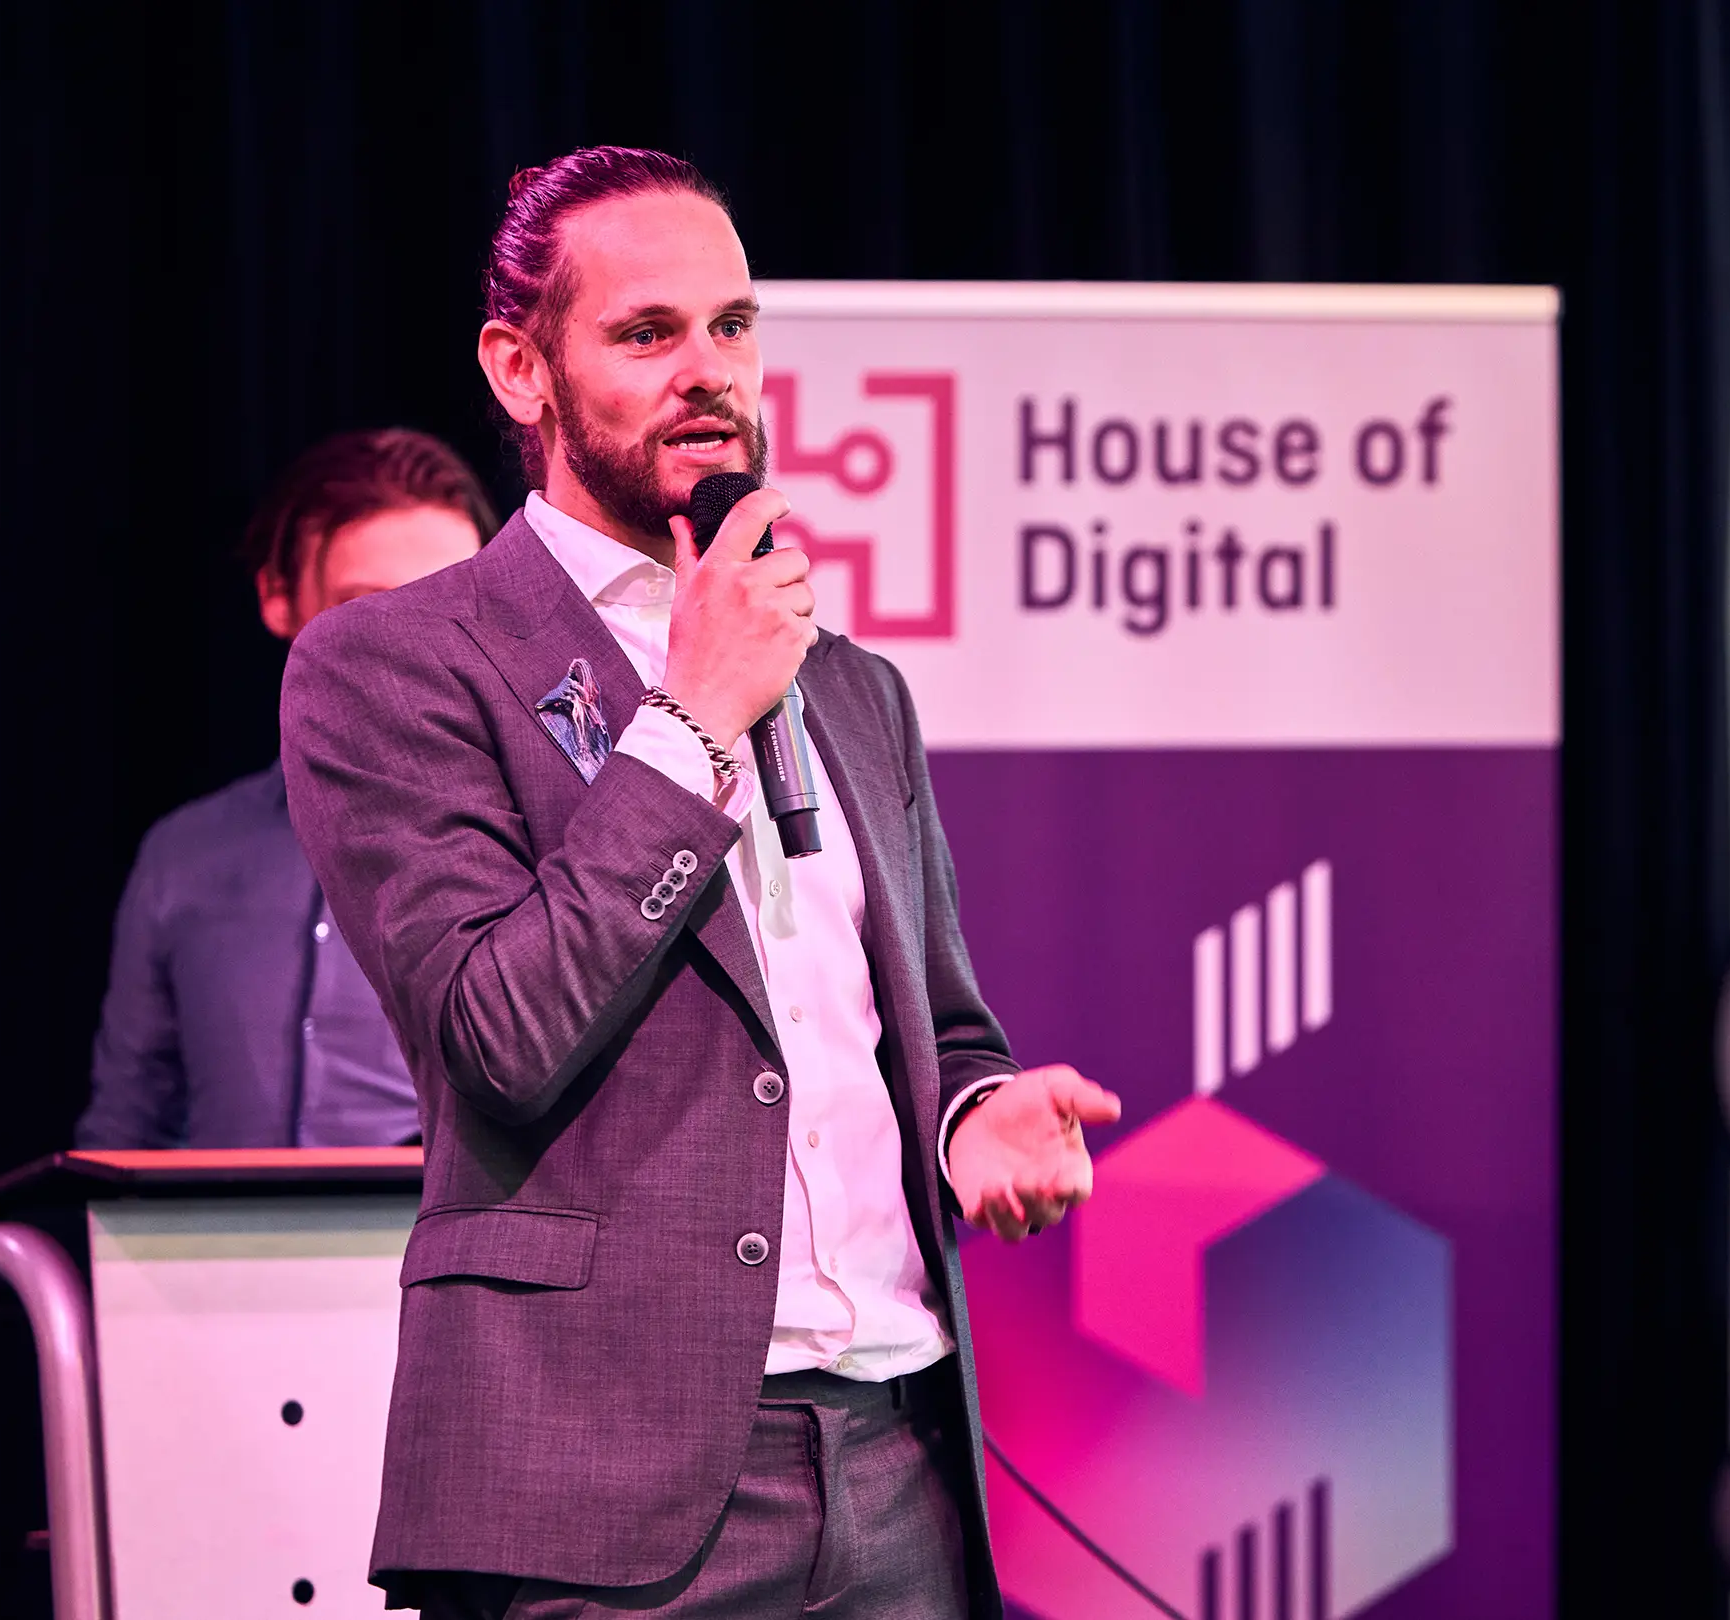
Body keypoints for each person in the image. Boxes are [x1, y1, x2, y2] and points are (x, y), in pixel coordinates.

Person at [279, 148, 1120, 1620]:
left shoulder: (851, 688)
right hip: (598, 1485)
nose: (707, 372)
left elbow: (932, 1029)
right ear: (520, 368)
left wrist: (977, 1116)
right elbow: (495, 1032)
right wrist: (689, 723)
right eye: (648, 333)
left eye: (732, 327)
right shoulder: (393, 664)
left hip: (894, 1456)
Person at [75, 429, 495, 1149]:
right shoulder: (186, 853)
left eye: (445, 605)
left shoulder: (533, 843)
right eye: (365, 607)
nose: (413, 646)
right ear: (278, 596)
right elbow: (124, 1133)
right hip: (214, 1258)